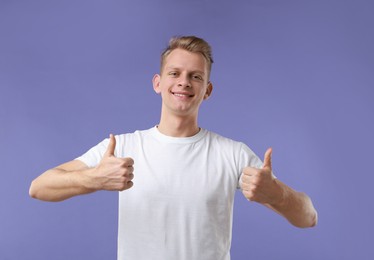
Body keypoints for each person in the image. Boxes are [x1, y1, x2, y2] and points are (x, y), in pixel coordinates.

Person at [29, 36, 317, 260]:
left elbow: (308, 217)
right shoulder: (123, 147)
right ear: (157, 83)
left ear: (208, 90)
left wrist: (277, 194)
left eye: (196, 76)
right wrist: (93, 179)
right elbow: (39, 187)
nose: (184, 82)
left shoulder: (233, 154)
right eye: (174, 73)